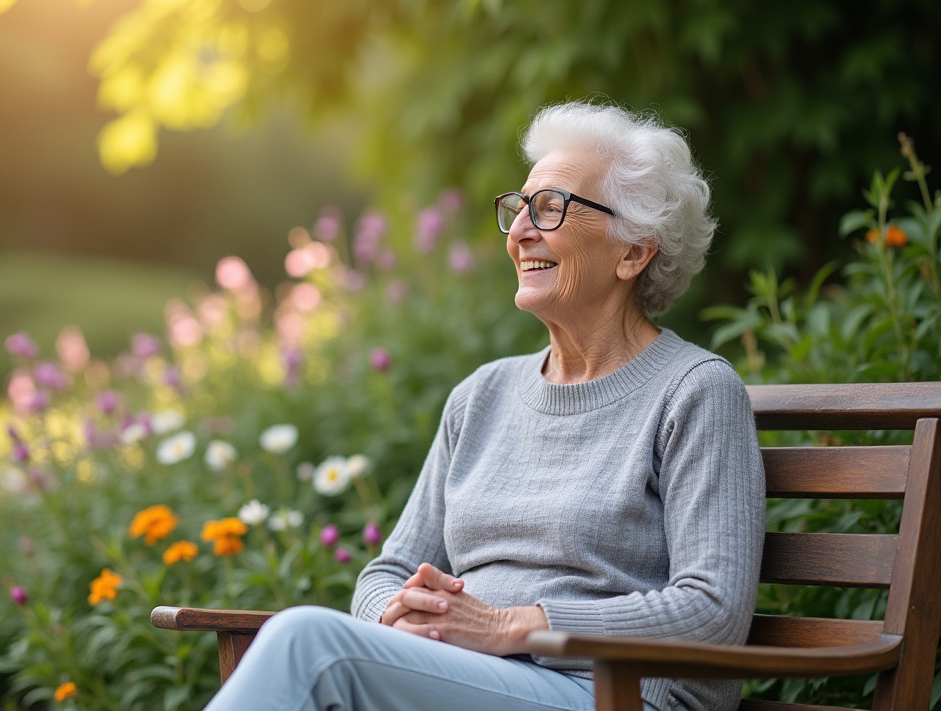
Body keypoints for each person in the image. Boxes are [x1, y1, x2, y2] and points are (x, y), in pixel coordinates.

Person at [204, 101, 766, 711]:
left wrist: (509, 627)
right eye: (519, 207)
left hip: (610, 696)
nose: (521, 230)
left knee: (305, 644)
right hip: (463, 680)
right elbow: (385, 572)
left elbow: (713, 610)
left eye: (551, 208)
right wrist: (401, 615)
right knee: (312, 645)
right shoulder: (481, 397)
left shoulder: (695, 391)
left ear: (633, 252)